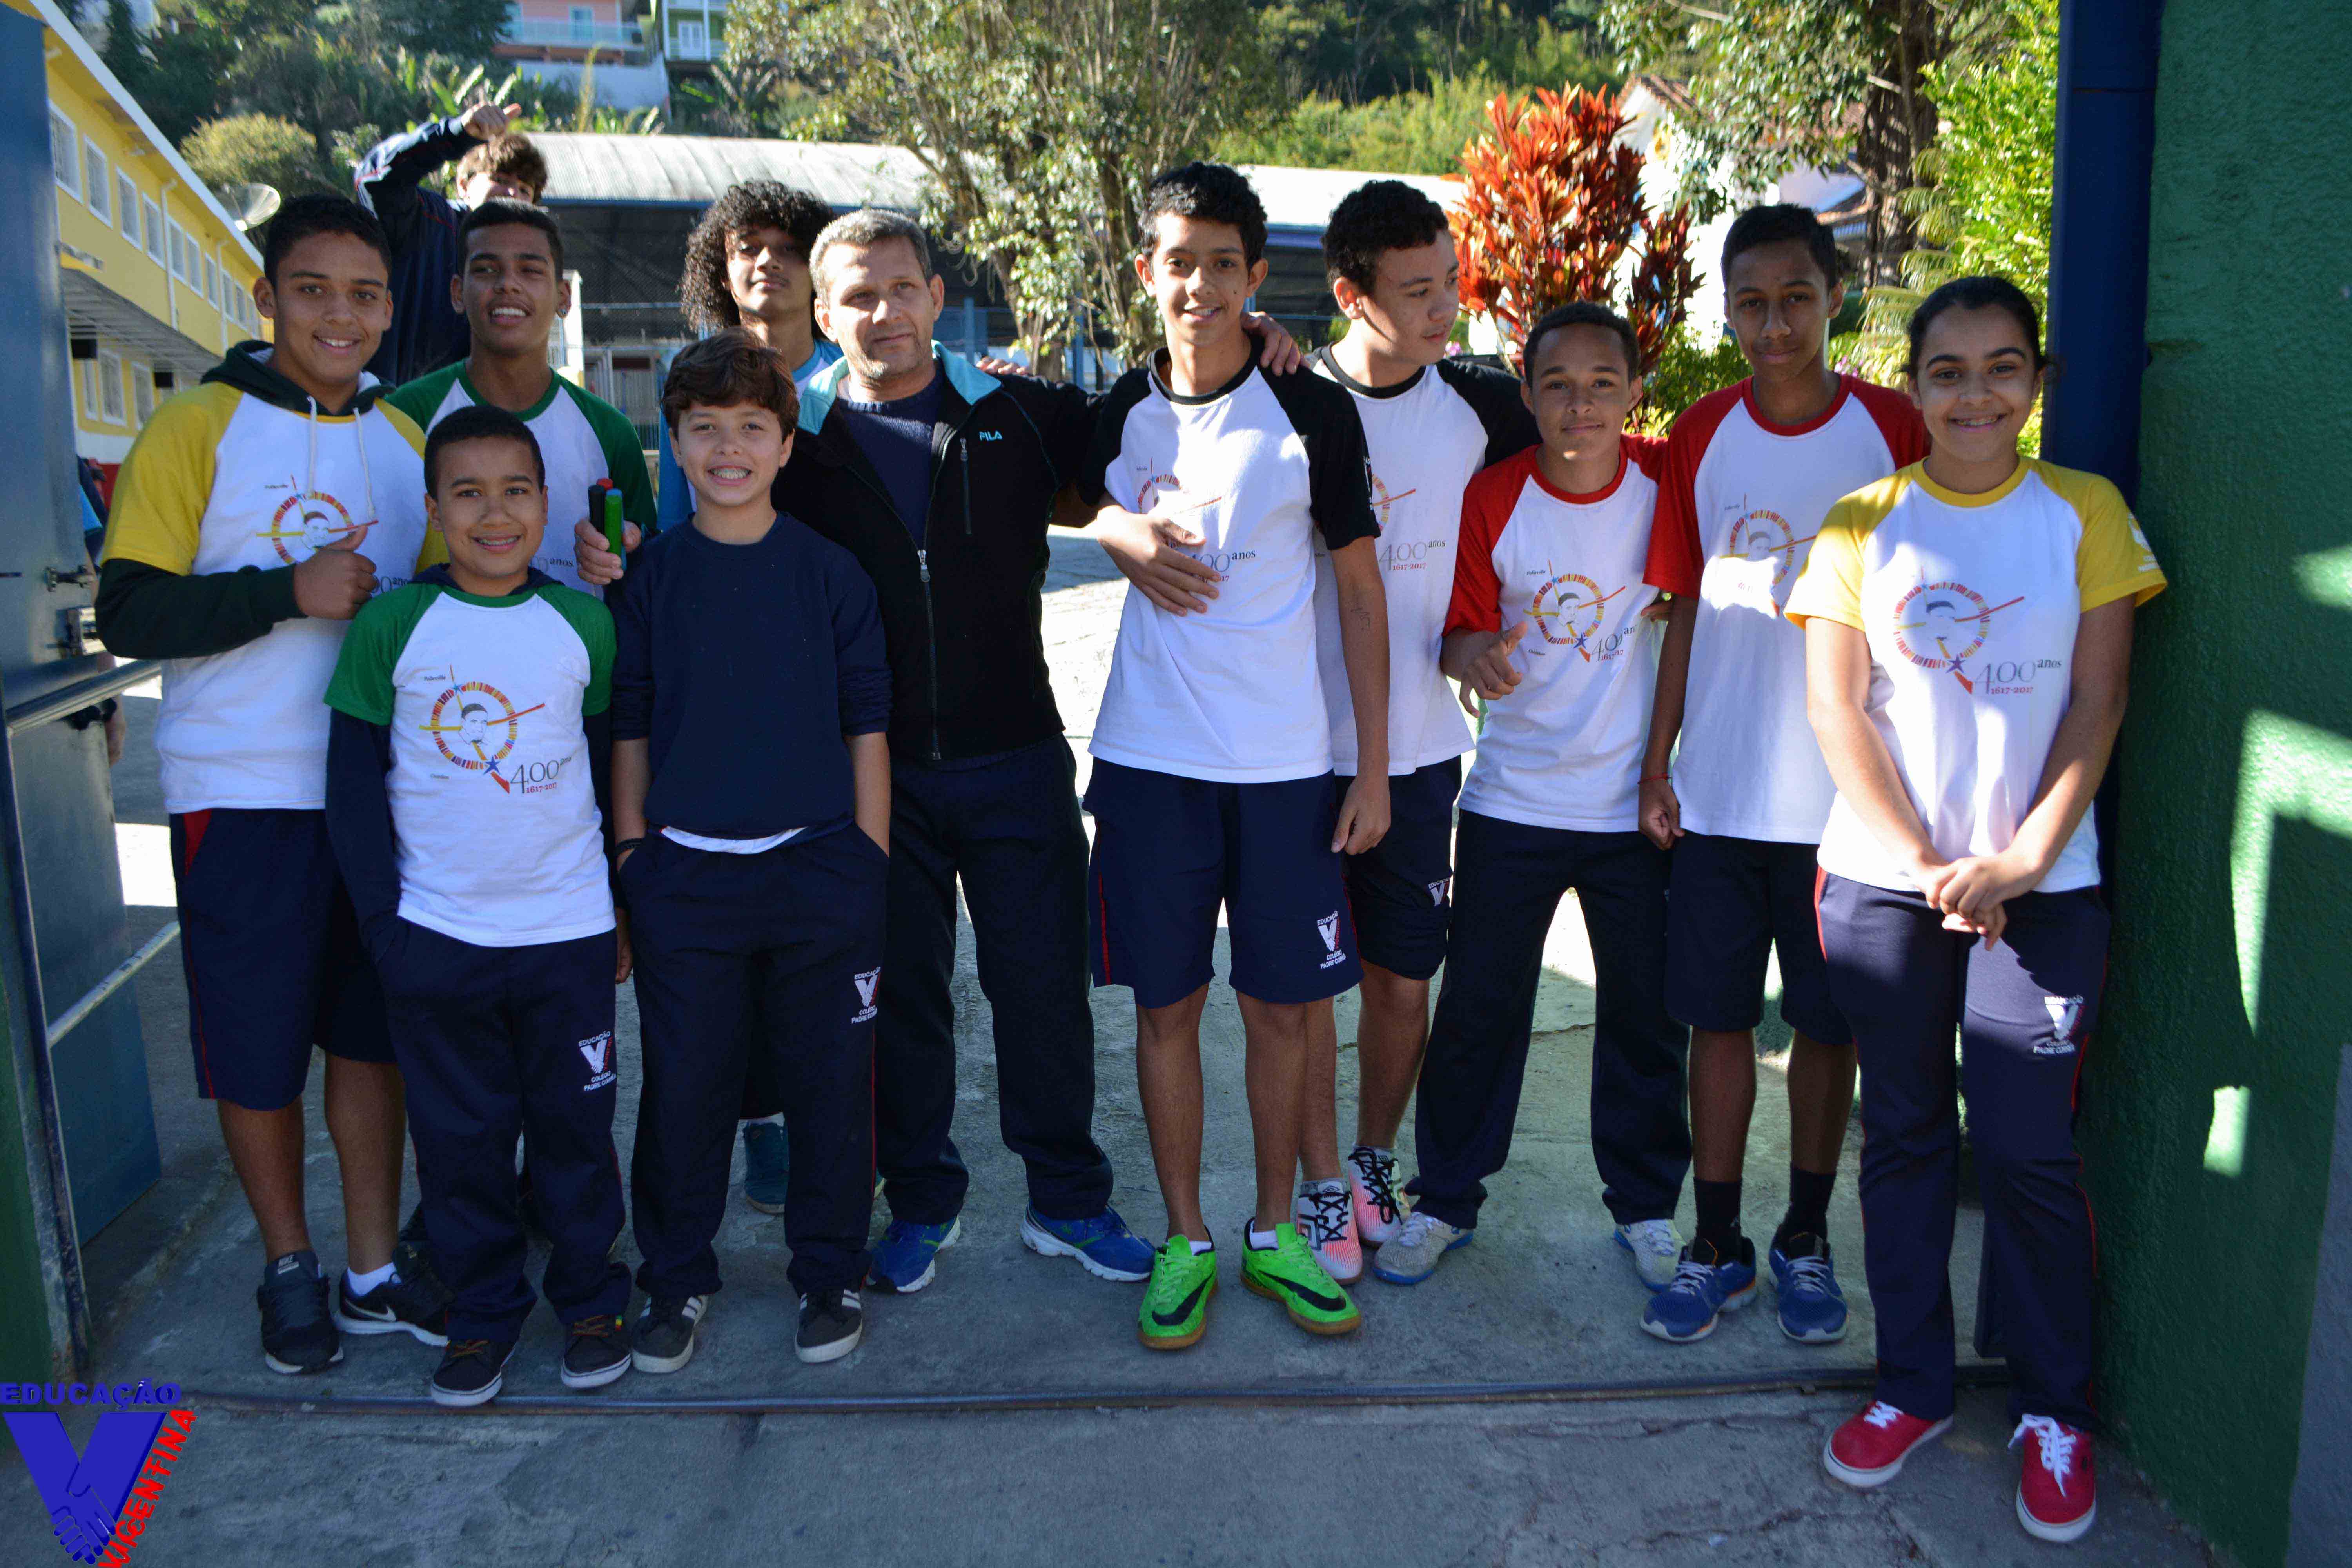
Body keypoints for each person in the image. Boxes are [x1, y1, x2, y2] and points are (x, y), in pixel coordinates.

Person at [580, 214, 1304, 1292]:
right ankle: (921, 1199)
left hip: (1016, 753)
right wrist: (622, 553)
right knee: (901, 1003)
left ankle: (1068, 1199)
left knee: (1043, 993)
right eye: (858, 296)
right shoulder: (798, 435)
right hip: (874, 776)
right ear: (823, 315)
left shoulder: (1017, 407)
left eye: (903, 288)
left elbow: (1151, 414)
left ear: (936, 294)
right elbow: (716, 539)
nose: (885, 313)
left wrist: (1263, 338)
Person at [1790, 276, 2162, 1544]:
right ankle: (1912, 1386)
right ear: (1915, 387)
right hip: (1884, 886)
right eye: (1947, 371)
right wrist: (1925, 859)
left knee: (2025, 1150)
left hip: (2044, 890)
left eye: (2003, 367)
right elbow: (1837, 710)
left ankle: (2055, 1410)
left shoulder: (2086, 513)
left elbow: (2098, 704)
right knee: (1902, 1137)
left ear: (2037, 381)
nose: (1976, 395)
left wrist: (2019, 862)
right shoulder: (1860, 523)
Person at [93, 194, 446, 1374]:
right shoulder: (195, 423)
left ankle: (373, 1270)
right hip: (238, 791)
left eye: (364, 294)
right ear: (266, 298)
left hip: (376, 799)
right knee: (255, 1048)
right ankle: (287, 1263)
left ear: (388, 309)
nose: (341, 315)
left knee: (370, 1039)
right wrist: (283, 591)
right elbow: (128, 609)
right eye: (313, 289)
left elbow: (448, 602)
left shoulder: (405, 439)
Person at [1078, 162, 1390, 1349]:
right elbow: (1052, 485)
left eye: (1223, 263)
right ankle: (1185, 1238)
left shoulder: (1310, 410)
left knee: (1284, 1014)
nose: (1198, 285)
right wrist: (1113, 525)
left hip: (1284, 771)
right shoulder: (1119, 408)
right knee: (1166, 1008)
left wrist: (1368, 767)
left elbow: (1358, 593)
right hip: (1150, 763)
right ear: (1145, 272)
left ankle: (1272, 1230)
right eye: (1178, 261)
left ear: (1256, 275)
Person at [1635, 203, 1931, 1342]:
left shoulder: (1893, 425)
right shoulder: (1703, 431)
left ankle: (1806, 1237)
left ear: (1834, 299)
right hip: (1718, 795)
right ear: (1727, 311)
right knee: (1715, 1026)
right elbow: (1680, 611)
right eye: (1751, 303)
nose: (1774, 325)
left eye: (1796, 299)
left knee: (1826, 1028)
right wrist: (1657, 764)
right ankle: (1717, 1244)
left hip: (1847, 807)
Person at [1376, 303, 1691, 1289]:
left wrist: (1663, 767)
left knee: (1646, 1016)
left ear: (1635, 392)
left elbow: (1686, 611)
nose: (1579, 404)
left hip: (1632, 809)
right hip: (1511, 802)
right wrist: (1478, 655)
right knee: (1478, 1009)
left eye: (1602, 384)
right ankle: (1444, 1198)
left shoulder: (1666, 486)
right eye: (1557, 384)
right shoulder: (1495, 495)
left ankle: (1646, 1206)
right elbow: (1458, 634)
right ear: (1528, 394)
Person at [323, 405, 632, 1406]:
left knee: (576, 1132)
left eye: (515, 492)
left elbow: (606, 770)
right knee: (462, 1145)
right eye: (468, 493)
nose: (494, 515)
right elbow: (352, 789)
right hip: (438, 938)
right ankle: (482, 1314)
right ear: (432, 509)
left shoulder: (585, 622)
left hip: (568, 933)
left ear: (545, 503)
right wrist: (386, 928)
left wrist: (621, 909)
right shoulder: (393, 624)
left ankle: (590, 1301)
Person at [610, 331, 893, 1370]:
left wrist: (867, 860)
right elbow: (630, 724)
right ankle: (675, 1277)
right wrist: (633, 855)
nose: (728, 447)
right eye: (704, 428)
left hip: (819, 870)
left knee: (829, 1085)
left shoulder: (830, 573)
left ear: (785, 443)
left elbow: (868, 723)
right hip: (686, 877)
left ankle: (829, 1270)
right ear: (674, 444)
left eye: (750, 427)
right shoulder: (653, 577)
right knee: (685, 1089)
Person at [1294, 180, 1535, 1282]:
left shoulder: (1483, 405)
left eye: (1451, 282)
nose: (1446, 308)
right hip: (1291, 750)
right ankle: (1317, 1185)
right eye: (1417, 291)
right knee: (1302, 987)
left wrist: (1481, 635)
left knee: (1400, 980)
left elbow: (1581, 474)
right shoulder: (1286, 397)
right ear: (1352, 295)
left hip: (1423, 751)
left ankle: (1372, 1160)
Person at [386, 201, 653, 600]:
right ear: (458, 292)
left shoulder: (610, 431)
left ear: (563, 297)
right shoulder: (406, 416)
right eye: (486, 269)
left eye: (530, 270)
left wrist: (629, 545)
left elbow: (646, 568)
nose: (508, 284)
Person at [656, 180, 844, 537]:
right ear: (722, 272)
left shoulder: (851, 375)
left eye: (790, 249)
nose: (768, 261)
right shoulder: (693, 379)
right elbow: (673, 525)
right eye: (749, 248)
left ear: (819, 270)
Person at [353, 105, 547, 387]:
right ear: (463, 186)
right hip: (385, 406)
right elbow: (377, 178)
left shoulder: (527, 270)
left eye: (525, 190)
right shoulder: (424, 219)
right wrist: (457, 134)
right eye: (500, 180)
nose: (513, 193)